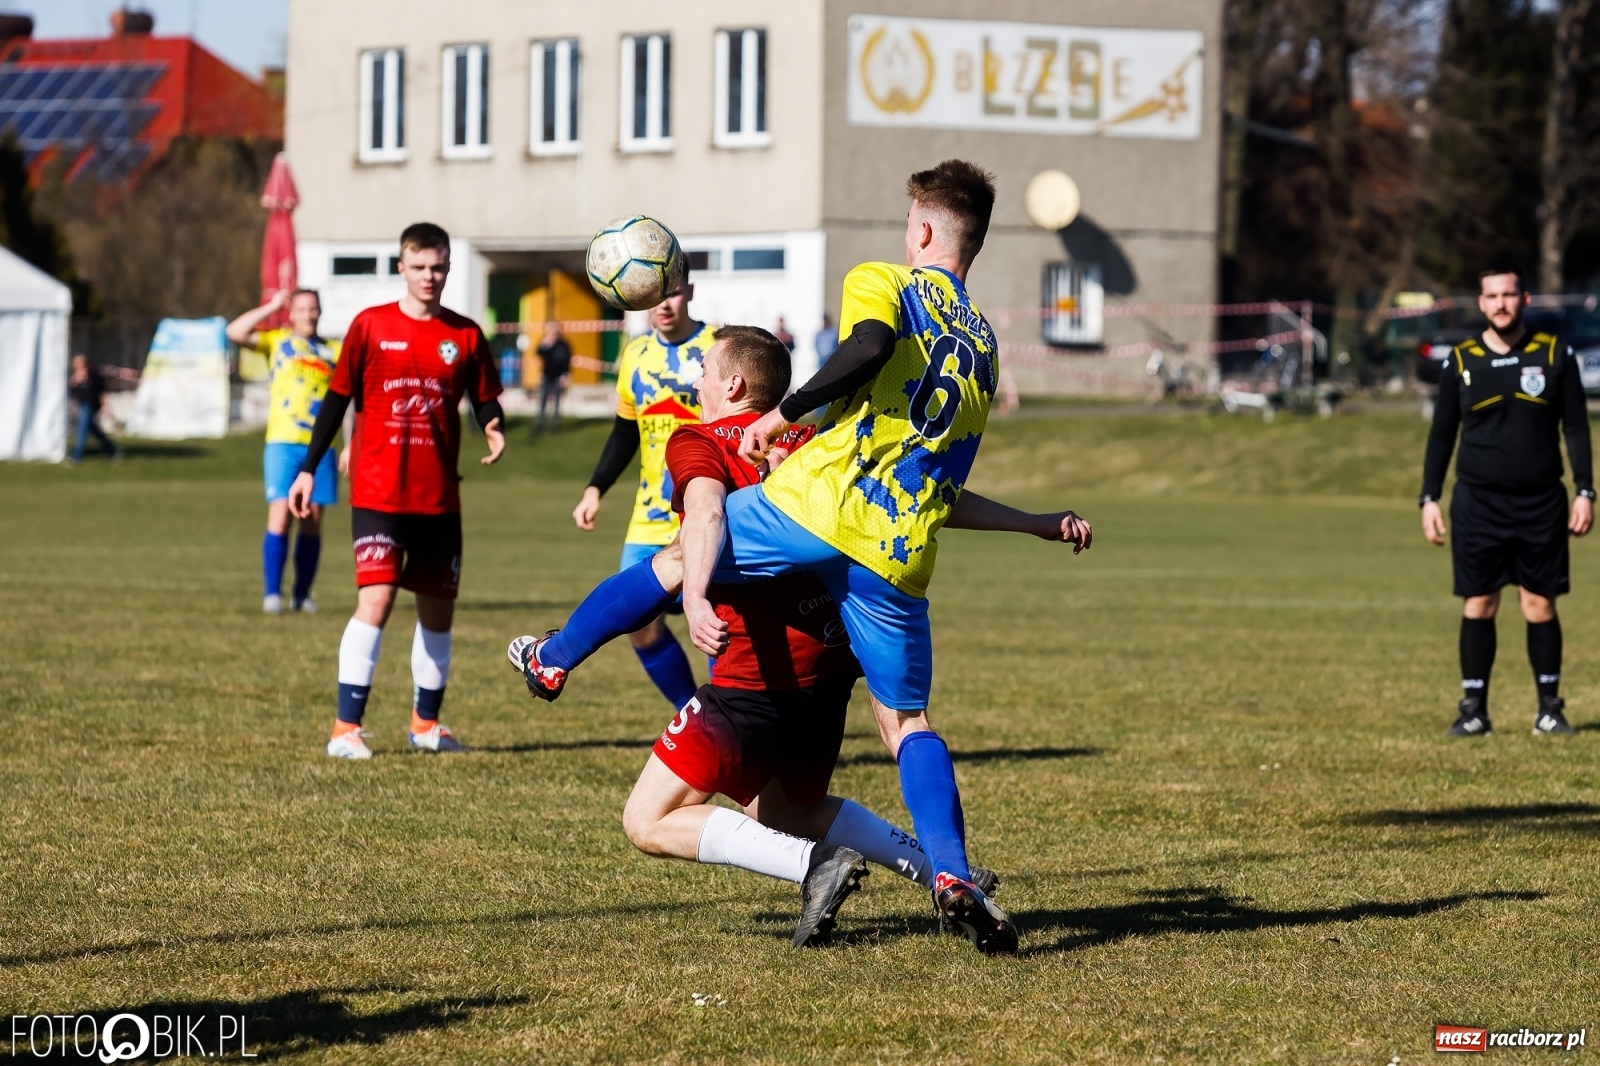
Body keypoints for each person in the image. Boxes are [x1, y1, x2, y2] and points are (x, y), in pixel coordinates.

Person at [512, 326, 1084, 949]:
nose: (695, 378)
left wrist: (696, 593)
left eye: (703, 368)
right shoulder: (818, 441)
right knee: (787, 810)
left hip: (753, 677)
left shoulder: (698, 439)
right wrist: (1033, 523)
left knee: (646, 820)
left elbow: (704, 514)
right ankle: (945, 872)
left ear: (731, 385)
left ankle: (813, 866)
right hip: (830, 672)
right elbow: (920, 498)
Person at [289, 222, 505, 759]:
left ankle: (426, 726)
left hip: (438, 499)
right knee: (377, 600)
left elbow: (484, 399)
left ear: (448, 269)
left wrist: (494, 425)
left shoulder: (466, 335)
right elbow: (337, 400)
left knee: (437, 613)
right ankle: (345, 730)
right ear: (401, 268)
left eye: (438, 267)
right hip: (378, 492)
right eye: (419, 266)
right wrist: (308, 468)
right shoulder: (369, 326)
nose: (429, 276)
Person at [1420, 264, 1593, 737]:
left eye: (1509, 294)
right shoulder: (1461, 359)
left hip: (1541, 503)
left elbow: (1575, 427)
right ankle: (1474, 709)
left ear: (1525, 299)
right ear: (1481, 303)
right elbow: (1441, 433)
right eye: (1492, 296)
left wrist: (1585, 491)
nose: (1501, 303)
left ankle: (1549, 709)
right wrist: (1429, 497)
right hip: (1478, 503)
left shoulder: (1555, 354)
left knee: (1539, 605)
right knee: (1479, 603)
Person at [569, 265, 714, 710]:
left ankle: (732, 727)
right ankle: (693, 716)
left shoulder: (718, 347)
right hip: (649, 514)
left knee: (714, 625)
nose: (663, 305)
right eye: (652, 296)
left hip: (706, 513)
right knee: (639, 624)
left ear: (688, 290)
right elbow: (624, 432)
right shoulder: (634, 354)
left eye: (670, 293)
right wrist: (595, 488)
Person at [227, 289, 342, 614]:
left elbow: (352, 400)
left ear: (320, 312)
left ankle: (302, 594)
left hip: (320, 448)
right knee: (280, 515)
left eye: (313, 308)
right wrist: (271, 306)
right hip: (282, 443)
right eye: (301, 309)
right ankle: (271, 593)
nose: (308, 314)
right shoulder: (277, 342)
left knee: (313, 519)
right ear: (292, 314)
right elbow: (234, 332)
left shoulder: (334, 351)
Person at [67, 354, 121, 464]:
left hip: (91, 405)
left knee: (82, 429)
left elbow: (102, 392)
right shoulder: (76, 377)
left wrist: (105, 406)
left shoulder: (94, 376)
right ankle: (112, 449)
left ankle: (77, 455)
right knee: (93, 429)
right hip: (80, 405)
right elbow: (71, 390)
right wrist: (75, 379)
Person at [535, 320, 572, 432]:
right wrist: (545, 344)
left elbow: (567, 360)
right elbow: (538, 353)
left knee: (556, 402)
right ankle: (539, 424)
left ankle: (555, 425)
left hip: (558, 376)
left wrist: (566, 375)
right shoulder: (545, 343)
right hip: (546, 375)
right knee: (542, 401)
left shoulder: (563, 345)